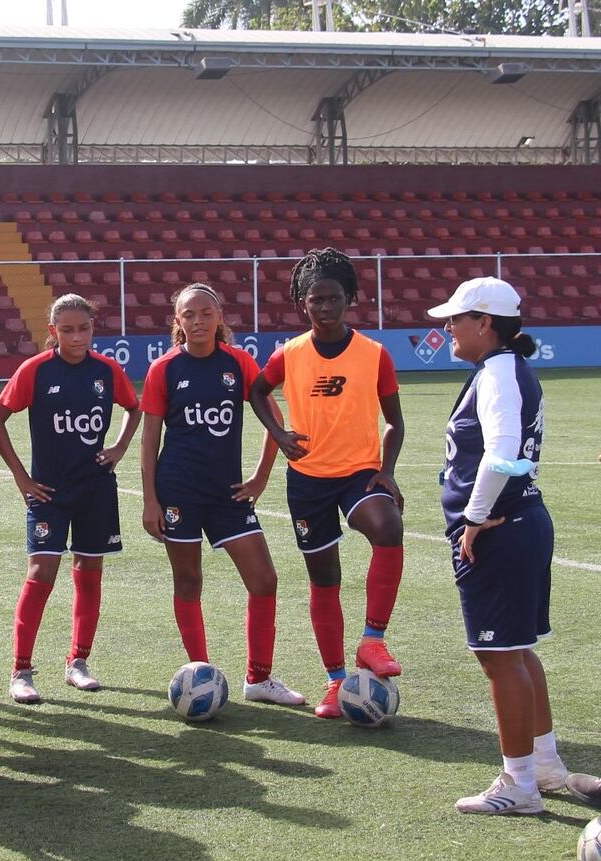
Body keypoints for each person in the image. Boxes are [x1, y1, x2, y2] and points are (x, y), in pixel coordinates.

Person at [428, 277, 569, 814]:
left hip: (502, 528)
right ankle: (546, 764)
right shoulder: (504, 370)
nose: (447, 328)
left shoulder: (498, 374)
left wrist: (474, 516)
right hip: (522, 521)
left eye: (456, 319)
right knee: (516, 651)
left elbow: (503, 453)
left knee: (498, 656)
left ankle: (520, 784)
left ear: (485, 323)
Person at [248, 248, 406, 719]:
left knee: (389, 527)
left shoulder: (374, 354)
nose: (325, 307)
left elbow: (395, 422)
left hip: (359, 473)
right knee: (325, 580)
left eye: (334, 298)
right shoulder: (288, 354)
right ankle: (336, 682)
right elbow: (256, 391)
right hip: (308, 480)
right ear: (303, 303)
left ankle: (373, 640)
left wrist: (388, 469)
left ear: (349, 299)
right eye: (315, 299)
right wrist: (278, 433)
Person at [140, 284, 304, 707]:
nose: (197, 321)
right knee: (189, 581)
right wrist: (150, 500)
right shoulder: (164, 369)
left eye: (205, 313)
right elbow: (149, 440)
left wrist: (261, 477)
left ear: (219, 317)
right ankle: (201, 674)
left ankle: (259, 678)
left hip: (228, 494)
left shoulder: (239, 363)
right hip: (178, 490)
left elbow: (276, 422)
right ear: (178, 322)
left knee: (264, 579)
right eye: (188, 314)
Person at [0, 294, 140, 705]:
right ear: (52, 332)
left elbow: (133, 406)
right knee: (41, 574)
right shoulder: (35, 370)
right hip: (49, 492)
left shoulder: (107, 371)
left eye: (83, 328)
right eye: (67, 330)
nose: (76, 336)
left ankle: (78, 663)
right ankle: (21, 670)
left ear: (93, 327)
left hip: (96, 488)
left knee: (90, 574)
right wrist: (22, 477)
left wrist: (120, 447)